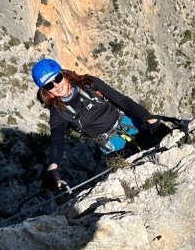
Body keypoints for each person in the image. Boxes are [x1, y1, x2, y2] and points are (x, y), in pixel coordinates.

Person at [32, 58, 169, 190]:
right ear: (46, 91)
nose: (56, 85)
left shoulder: (89, 83)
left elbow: (123, 102)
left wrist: (153, 121)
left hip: (132, 126)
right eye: (49, 85)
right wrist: (53, 166)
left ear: (64, 75)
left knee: (163, 156)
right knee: (141, 178)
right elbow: (57, 139)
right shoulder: (58, 112)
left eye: (57, 78)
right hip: (113, 147)